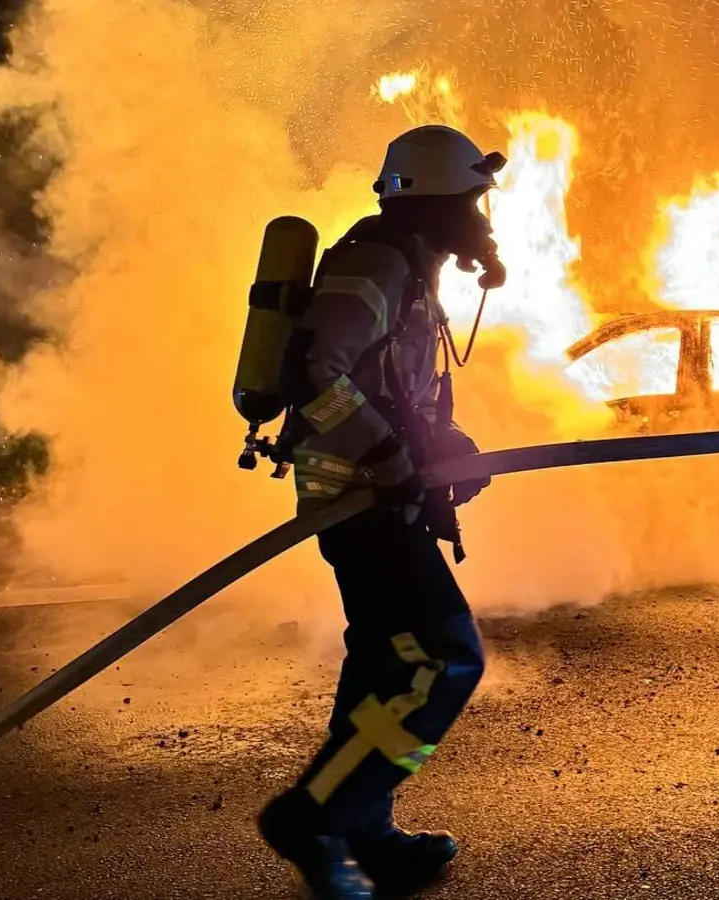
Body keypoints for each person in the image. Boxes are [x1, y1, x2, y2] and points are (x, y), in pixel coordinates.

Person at [256, 125, 507, 900]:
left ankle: (363, 828)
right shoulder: (375, 264)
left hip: (379, 500)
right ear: (435, 201)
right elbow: (314, 371)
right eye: (472, 201)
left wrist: (443, 447)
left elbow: (390, 384)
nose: (482, 218)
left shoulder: (409, 269)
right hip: (358, 502)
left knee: (383, 663)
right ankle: (318, 817)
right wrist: (389, 456)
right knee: (443, 660)